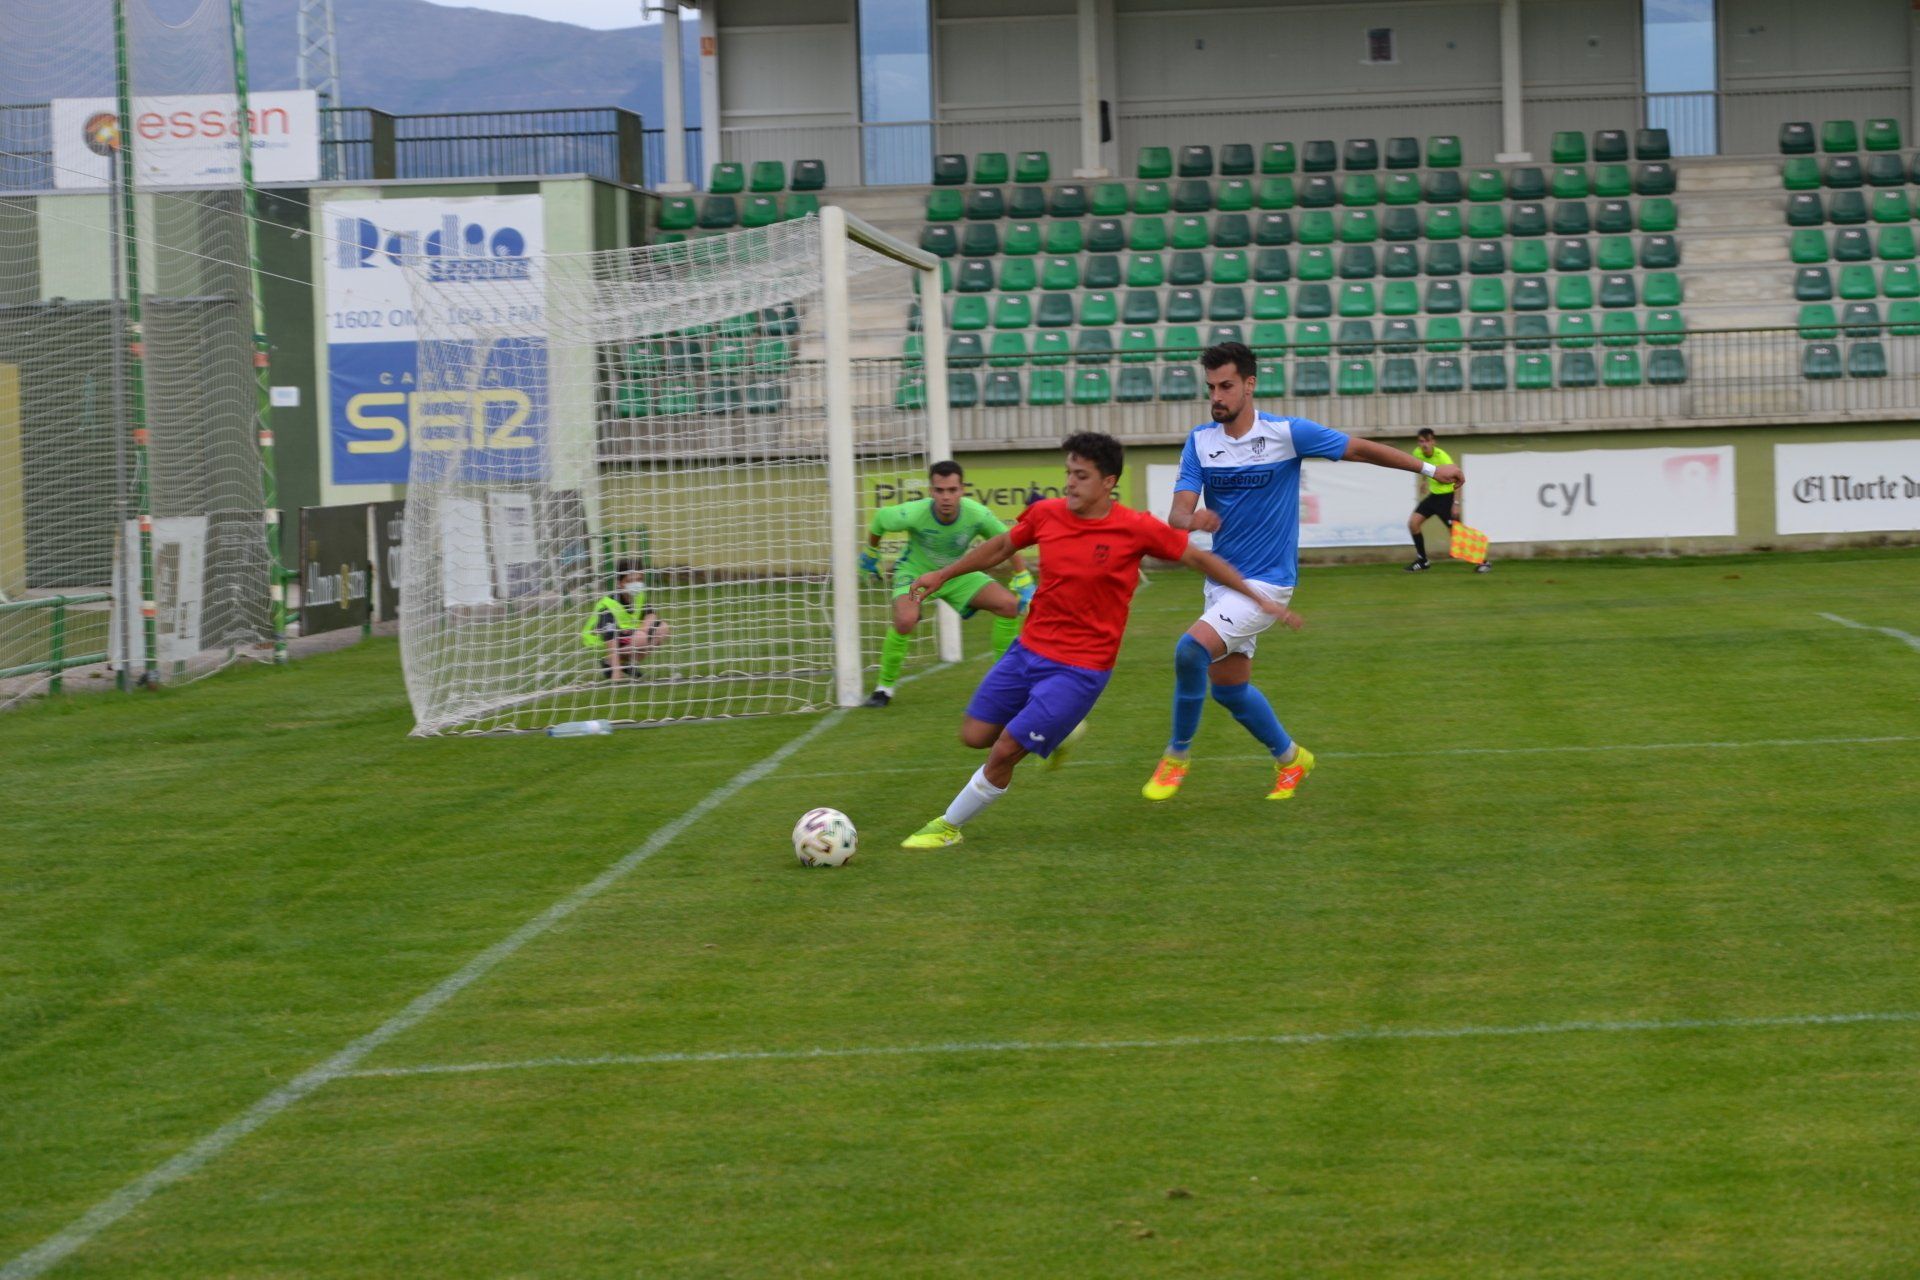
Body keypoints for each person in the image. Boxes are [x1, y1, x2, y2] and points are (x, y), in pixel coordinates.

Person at [899, 432, 1297, 850]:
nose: (1070, 483)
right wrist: (942, 575)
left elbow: (1200, 558)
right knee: (974, 735)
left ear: (1108, 482)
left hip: (1080, 670)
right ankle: (1061, 732)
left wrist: (1260, 599)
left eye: (1081, 475)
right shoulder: (1046, 515)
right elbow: (1000, 545)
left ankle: (948, 826)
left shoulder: (1135, 528)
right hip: (1027, 651)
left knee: (1002, 751)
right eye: (1069, 473)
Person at [1141, 343, 1465, 805]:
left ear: (1250, 385)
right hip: (1222, 584)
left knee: (1189, 650)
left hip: (1268, 583)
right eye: (1211, 387)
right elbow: (1177, 514)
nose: (1217, 396)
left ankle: (1176, 755)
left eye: (1226, 386)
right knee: (1231, 692)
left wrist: (1434, 467)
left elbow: (1358, 450)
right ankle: (1291, 759)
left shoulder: (1286, 434)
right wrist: (1193, 520)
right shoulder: (1200, 442)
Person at [861, 460, 1035, 708]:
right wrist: (870, 551)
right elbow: (880, 519)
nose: (946, 497)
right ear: (931, 491)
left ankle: (1002, 681)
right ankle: (883, 689)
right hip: (915, 574)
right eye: (940, 490)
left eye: (952, 490)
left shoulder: (976, 514)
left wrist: (1022, 576)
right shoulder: (913, 513)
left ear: (962, 489)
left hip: (957, 573)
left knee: (1009, 605)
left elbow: (1008, 540)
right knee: (905, 620)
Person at [1406, 427, 1489, 573]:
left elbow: (1458, 480)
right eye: (1421, 441)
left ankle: (1484, 562)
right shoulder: (1417, 453)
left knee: (1456, 534)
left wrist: (1456, 504)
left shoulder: (1443, 458)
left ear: (1433, 442)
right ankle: (1423, 561)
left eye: (1427, 441)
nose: (1423, 444)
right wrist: (1424, 481)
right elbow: (1423, 467)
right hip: (1433, 498)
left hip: (1447, 498)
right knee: (1413, 524)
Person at [581, 559, 668, 681]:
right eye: (630, 581)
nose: (636, 584)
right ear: (619, 583)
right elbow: (609, 637)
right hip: (601, 641)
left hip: (626, 635)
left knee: (662, 628)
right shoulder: (609, 604)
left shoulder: (638, 596)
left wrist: (644, 629)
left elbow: (650, 615)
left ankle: (626, 664)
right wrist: (616, 675)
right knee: (641, 639)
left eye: (639, 580)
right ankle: (611, 662)